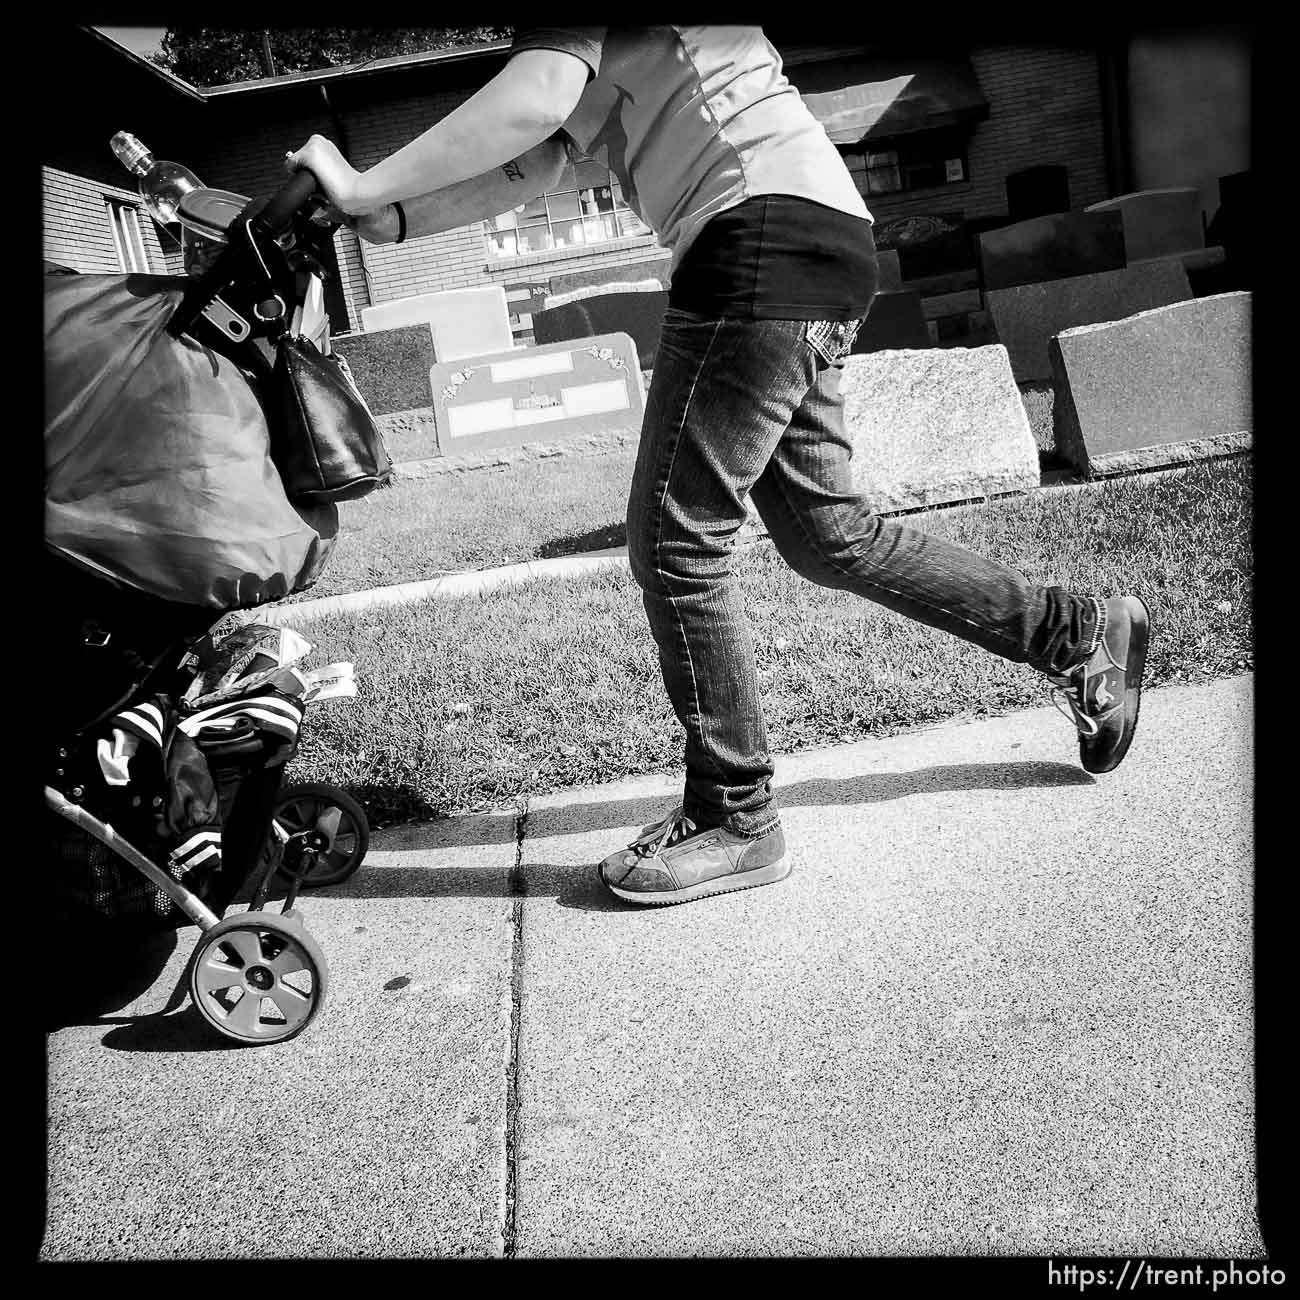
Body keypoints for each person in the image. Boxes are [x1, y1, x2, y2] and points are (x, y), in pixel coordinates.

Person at [287, 26, 1150, 909]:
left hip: (759, 238)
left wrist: (364, 179)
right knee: (831, 537)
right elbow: (539, 160)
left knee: (675, 543)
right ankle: (1075, 631)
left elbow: (535, 96)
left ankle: (736, 816)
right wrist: (390, 217)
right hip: (814, 236)